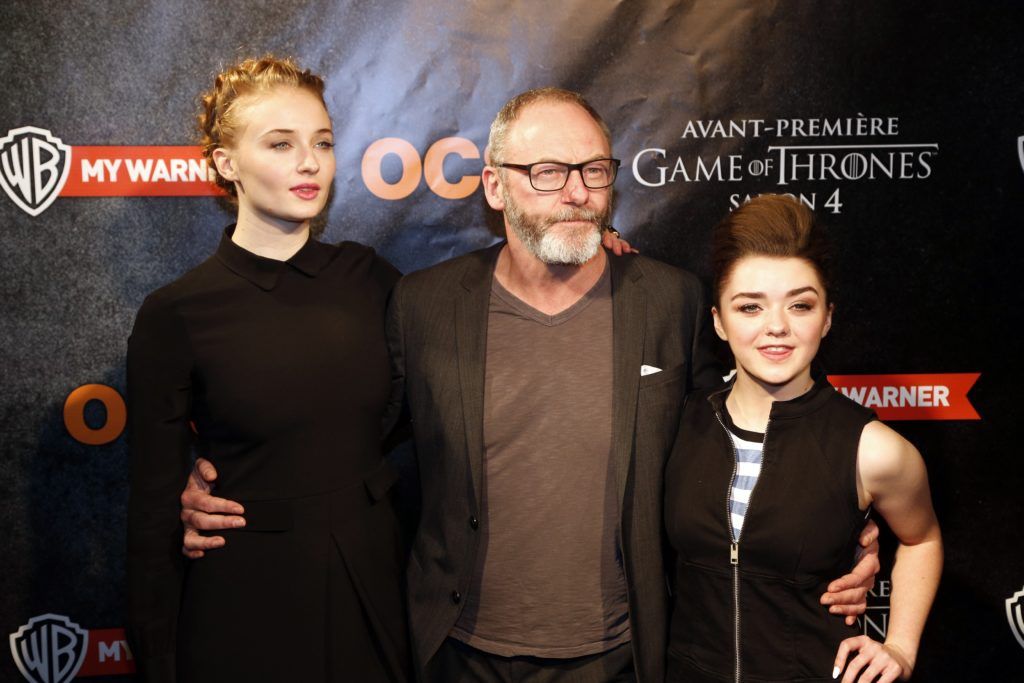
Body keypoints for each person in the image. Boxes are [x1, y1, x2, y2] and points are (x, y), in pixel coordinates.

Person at [180, 88, 879, 682]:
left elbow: (732, 434)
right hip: (458, 651)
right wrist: (233, 479)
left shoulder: (671, 301)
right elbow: (350, 435)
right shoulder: (425, 304)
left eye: (594, 170)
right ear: (493, 186)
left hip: (620, 654)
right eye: (546, 171)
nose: (576, 192)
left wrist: (842, 527)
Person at [125, 56, 411, 682]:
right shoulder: (176, 313)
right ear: (227, 164)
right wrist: (158, 660)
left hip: (374, 584)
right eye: (280, 144)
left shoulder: (371, 281)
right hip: (244, 595)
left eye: (323, 143)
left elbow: (473, 331)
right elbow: (151, 511)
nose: (310, 162)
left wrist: (591, 254)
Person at [664, 195, 943, 682]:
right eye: (750, 307)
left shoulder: (873, 449)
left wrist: (900, 646)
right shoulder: (678, 424)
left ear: (828, 317)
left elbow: (922, 540)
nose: (777, 327)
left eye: (800, 305)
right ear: (718, 322)